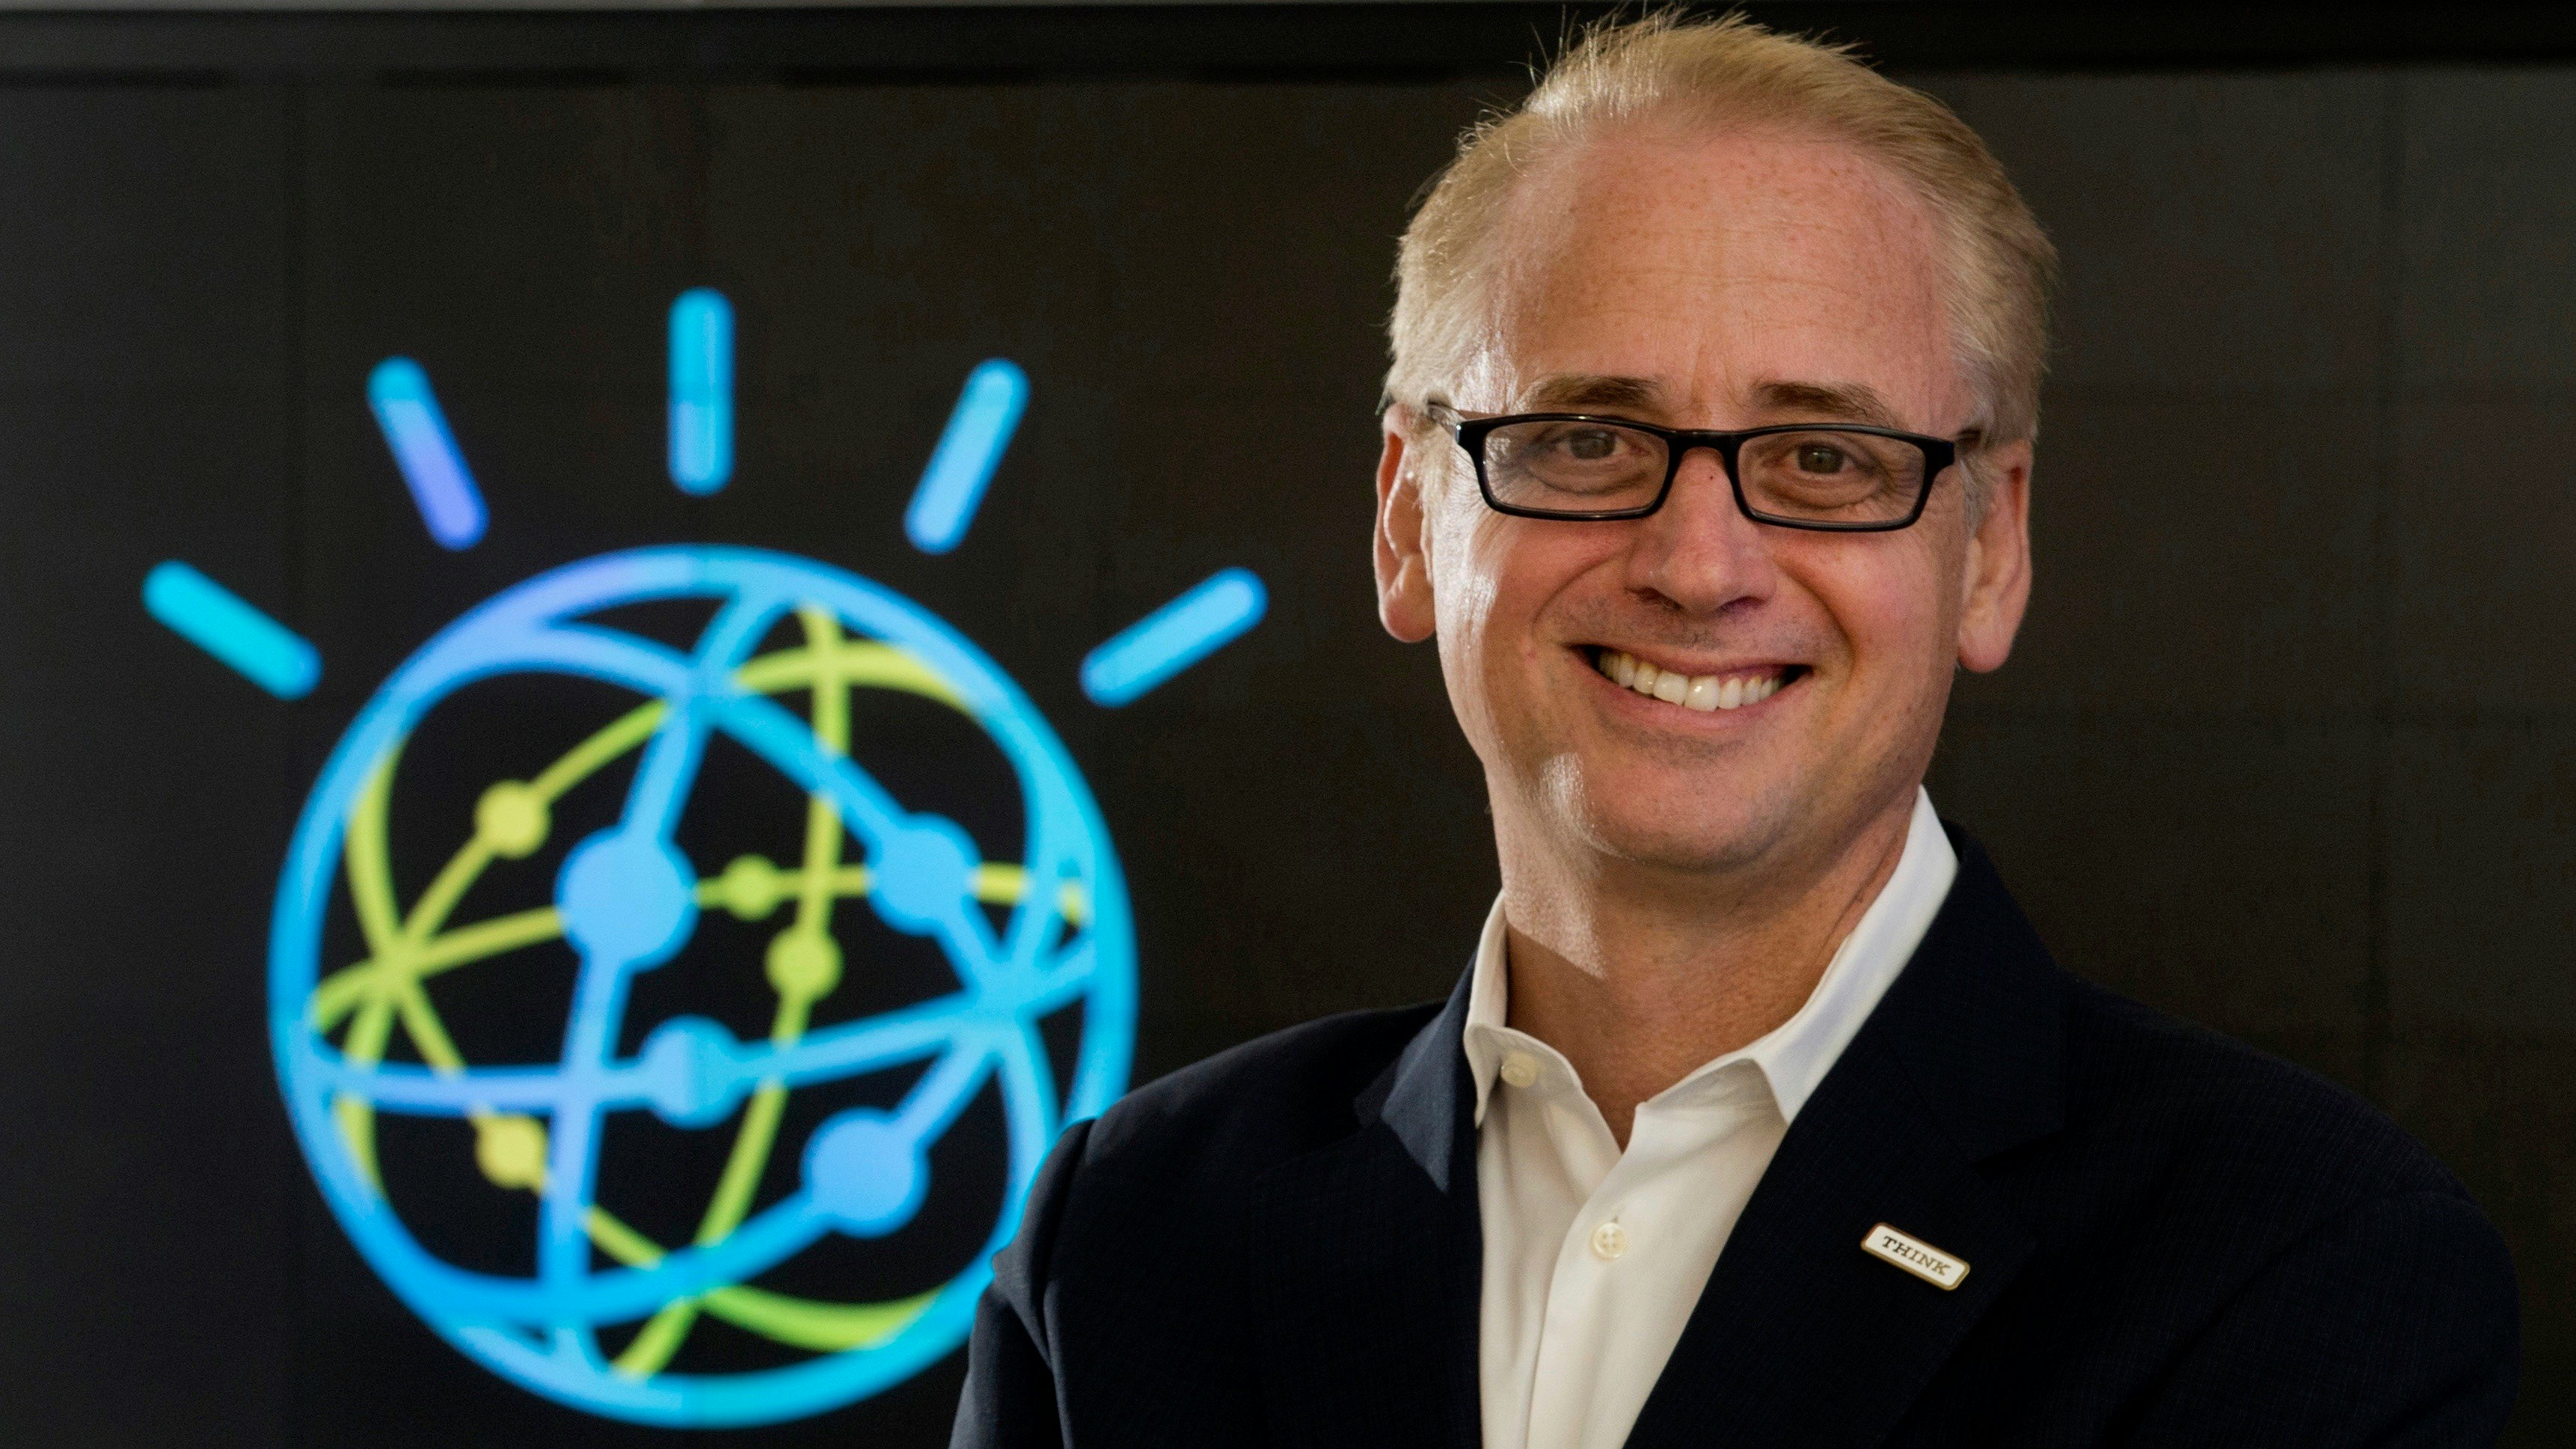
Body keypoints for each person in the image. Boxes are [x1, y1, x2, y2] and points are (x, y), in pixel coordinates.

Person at [950, 13, 2521, 1447]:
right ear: (1408, 526)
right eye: (1581, 436)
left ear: (1990, 548)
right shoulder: (1131, 1239)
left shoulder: (2301, 1273)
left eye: (1826, 457)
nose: (1700, 566)